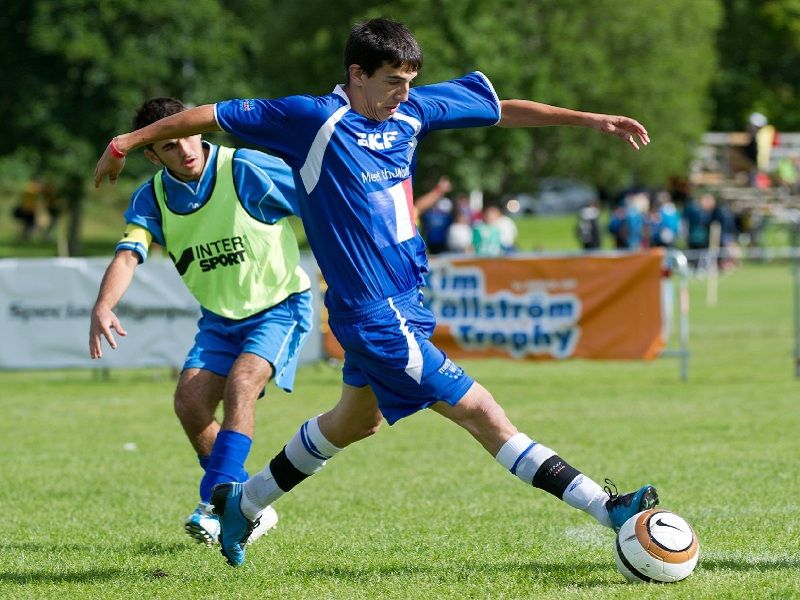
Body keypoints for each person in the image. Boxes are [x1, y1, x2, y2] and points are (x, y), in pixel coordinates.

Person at [93, 18, 658, 568]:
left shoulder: (410, 109)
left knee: (352, 423)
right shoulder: (310, 118)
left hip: (406, 300)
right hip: (372, 316)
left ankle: (241, 505)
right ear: (357, 73)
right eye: (393, 81)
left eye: (410, 81)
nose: (403, 94)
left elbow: (500, 109)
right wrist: (125, 142)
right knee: (483, 414)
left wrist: (590, 120)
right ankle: (608, 509)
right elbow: (208, 116)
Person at [89, 97, 315, 548]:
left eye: (189, 135)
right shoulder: (152, 196)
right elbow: (129, 252)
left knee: (242, 382)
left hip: (279, 305)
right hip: (220, 319)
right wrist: (103, 304)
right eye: (170, 147)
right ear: (152, 155)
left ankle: (215, 506)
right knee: (190, 402)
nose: (186, 150)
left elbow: (318, 204)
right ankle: (249, 504)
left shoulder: (245, 169)